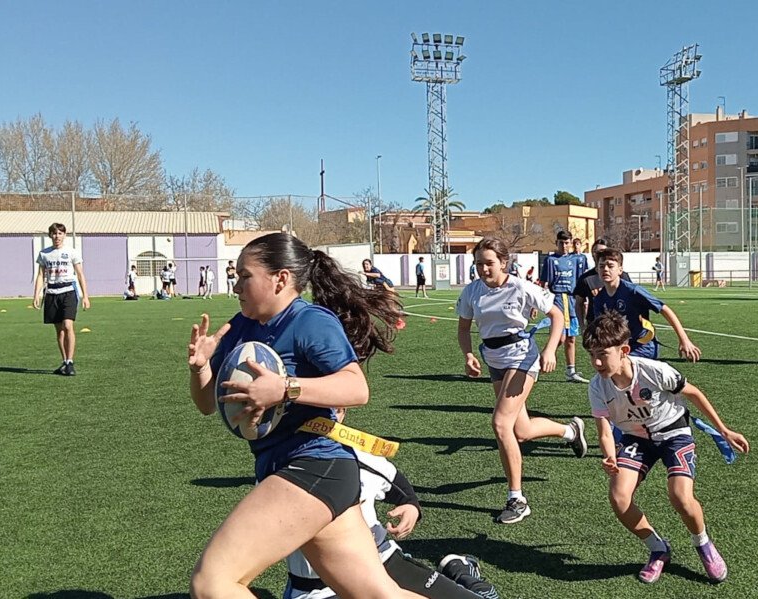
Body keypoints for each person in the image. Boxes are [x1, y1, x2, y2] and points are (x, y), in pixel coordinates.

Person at [186, 232, 422, 599]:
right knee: (379, 596)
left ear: (280, 279)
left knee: (212, 582)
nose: (236, 285)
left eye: (245, 276)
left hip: (315, 465)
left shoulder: (310, 321)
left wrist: (284, 388)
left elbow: (356, 389)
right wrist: (201, 368)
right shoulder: (240, 328)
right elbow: (206, 404)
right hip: (292, 469)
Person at [582, 311, 750, 584]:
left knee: (680, 496)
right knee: (618, 497)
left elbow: (693, 393)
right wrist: (610, 456)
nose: (597, 362)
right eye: (592, 355)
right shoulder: (597, 386)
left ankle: (703, 543)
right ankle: (658, 548)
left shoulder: (654, 370)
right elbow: (603, 430)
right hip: (636, 440)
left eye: (603, 353)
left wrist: (724, 430)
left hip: (674, 433)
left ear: (624, 350)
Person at [284, 408, 499, 599]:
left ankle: (462, 574)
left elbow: (402, 491)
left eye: (334, 411)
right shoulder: (280, 473)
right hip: (319, 589)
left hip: (386, 563)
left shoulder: (362, 459)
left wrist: (411, 508)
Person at [457, 237, 587, 525]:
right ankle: (570, 432)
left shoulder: (521, 286)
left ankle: (517, 498)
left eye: (489, 263)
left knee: (501, 424)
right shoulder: (472, 292)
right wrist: (468, 355)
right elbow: (464, 329)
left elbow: (557, 315)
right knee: (523, 430)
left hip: (522, 358)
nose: (483, 269)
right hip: (493, 360)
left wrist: (550, 349)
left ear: (503, 262)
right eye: (479, 263)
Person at [592, 248, 701, 362]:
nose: (605, 269)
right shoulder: (599, 298)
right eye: (601, 266)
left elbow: (664, 309)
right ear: (597, 270)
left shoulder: (633, 291)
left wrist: (684, 340)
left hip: (643, 346)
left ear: (620, 269)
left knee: (619, 365)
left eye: (610, 266)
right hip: (621, 347)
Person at [32, 222, 90, 376]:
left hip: (68, 292)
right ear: (50, 235)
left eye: (60, 233)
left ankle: (70, 361)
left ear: (64, 235)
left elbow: (80, 274)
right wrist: (36, 295)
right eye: (54, 233)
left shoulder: (72, 252)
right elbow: (40, 275)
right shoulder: (44, 254)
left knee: (68, 325)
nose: (57, 236)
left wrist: (86, 296)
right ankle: (64, 362)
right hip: (51, 293)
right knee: (59, 331)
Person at [539, 230, 589, 383]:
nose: (564, 246)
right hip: (558, 299)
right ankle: (534, 365)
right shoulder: (550, 260)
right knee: (559, 338)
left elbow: (582, 279)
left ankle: (571, 371)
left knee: (571, 338)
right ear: (557, 243)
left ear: (571, 243)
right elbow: (543, 283)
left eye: (567, 243)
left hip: (573, 301)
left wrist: (584, 299)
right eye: (561, 243)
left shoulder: (578, 259)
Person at [573, 239, 632, 328]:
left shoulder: (622, 275)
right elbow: (579, 303)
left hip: (618, 327)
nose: (598, 254)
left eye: (602, 251)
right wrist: (582, 326)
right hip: (595, 326)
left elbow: (632, 298)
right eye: (595, 252)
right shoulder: (586, 278)